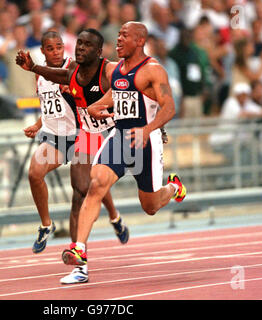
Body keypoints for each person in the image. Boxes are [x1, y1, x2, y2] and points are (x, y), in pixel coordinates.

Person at [58, 22, 186, 283]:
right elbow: (115, 95)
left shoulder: (153, 71)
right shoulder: (117, 69)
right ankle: (79, 253)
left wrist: (148, 129)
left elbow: (169, 108)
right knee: (96, 184)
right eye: (117, 35)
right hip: (120, 137)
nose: (118, 40)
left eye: (124, 36)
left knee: (149, 206)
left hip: (145, 142)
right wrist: (96, 106)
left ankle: (174, 188)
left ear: (140, 41)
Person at [16, 29, 130, 284]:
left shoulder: (83, 70)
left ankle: (114, 216)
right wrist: (38, 124)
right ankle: (67, 247)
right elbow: (50, 106)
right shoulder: (44, 76)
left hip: (96, 132)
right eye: (51, 48)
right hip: (68, 137)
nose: (57, 51)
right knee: (73, 188)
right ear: (43, 50)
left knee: (93, 187)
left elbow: (122, 94)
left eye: (60, 47)